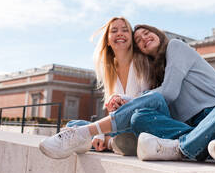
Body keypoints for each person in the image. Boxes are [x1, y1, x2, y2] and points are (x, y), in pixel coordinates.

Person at [39, 24, 215, 168]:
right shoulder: (157, 78)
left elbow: (169, 93)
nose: (144, 38)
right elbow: (159, 95)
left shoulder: (176, 47)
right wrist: (127, 101)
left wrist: (126, 100)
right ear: (142, 53)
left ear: (159, 34)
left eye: (147, 33)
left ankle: (178, 148)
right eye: (139, 41)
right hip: (202, 132)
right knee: (140, 118)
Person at [59, 17, 150, 155]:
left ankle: (107, 143)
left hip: (140, 124)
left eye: (125, 30)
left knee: (78, 131)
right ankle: (112, 142)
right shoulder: (109, 71)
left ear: (131, 38)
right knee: (72, 125)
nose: (120, 33)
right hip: (119, 128)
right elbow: (112, 112)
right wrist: (100, 133)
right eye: (114, 30)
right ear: (107, 40)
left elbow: (149, 101)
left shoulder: (143, 63)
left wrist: (122, 100)